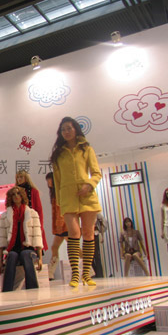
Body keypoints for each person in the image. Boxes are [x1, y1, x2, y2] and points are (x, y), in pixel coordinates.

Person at [51, 116, 102, 287]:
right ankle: (75, 275)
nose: (66, 132)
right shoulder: (58, 154)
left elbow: (96, 173)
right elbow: (57, 181)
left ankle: (86, 274)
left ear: (75, 130)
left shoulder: (87, 149)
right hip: (68, 198)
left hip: (87, 197)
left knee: (88, 234)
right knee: (73, 233)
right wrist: (60, 202)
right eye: (63, 129)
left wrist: (89, 185)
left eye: (69, 128)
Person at [0, 187, 43, 292]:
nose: (16, 196)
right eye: (13, 194)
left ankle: (33, 290)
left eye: (18, 194)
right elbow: (2, 239)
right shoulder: (5, 216)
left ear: (22, 196)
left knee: (25, 254)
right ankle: (7, 291)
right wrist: (0, 261)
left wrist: (40, 258)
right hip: (12, 249)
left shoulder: (32, 214)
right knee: (12, 256)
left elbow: (37, 236)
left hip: (28, 248)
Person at [15, 170, 48, 251]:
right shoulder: (14, 192)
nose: (19, 179)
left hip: (32, 222)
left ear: (26, 178)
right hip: (18, 222)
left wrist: (40, 226)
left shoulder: (33, 191)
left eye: (21, 177)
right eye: (18, 177)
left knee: (34, 246)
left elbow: (39, 210)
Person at [45, 172, 67, 280]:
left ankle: (88, 268)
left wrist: (60, 223)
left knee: (73, 247)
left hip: (64, 225)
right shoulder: (54, 193)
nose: (48, 183)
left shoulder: (59, 192)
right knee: (55, 247)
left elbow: (61, 210)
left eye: (49, 180)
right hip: (60, 226)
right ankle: (51, 272)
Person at [93, 212, 108, 278]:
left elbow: (101, 225)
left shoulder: (97, 213)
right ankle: (94, 273)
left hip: (95, 234)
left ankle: (99, 274)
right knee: (89, 256)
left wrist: (102, 236)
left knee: (97, 255)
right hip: (88, 234)